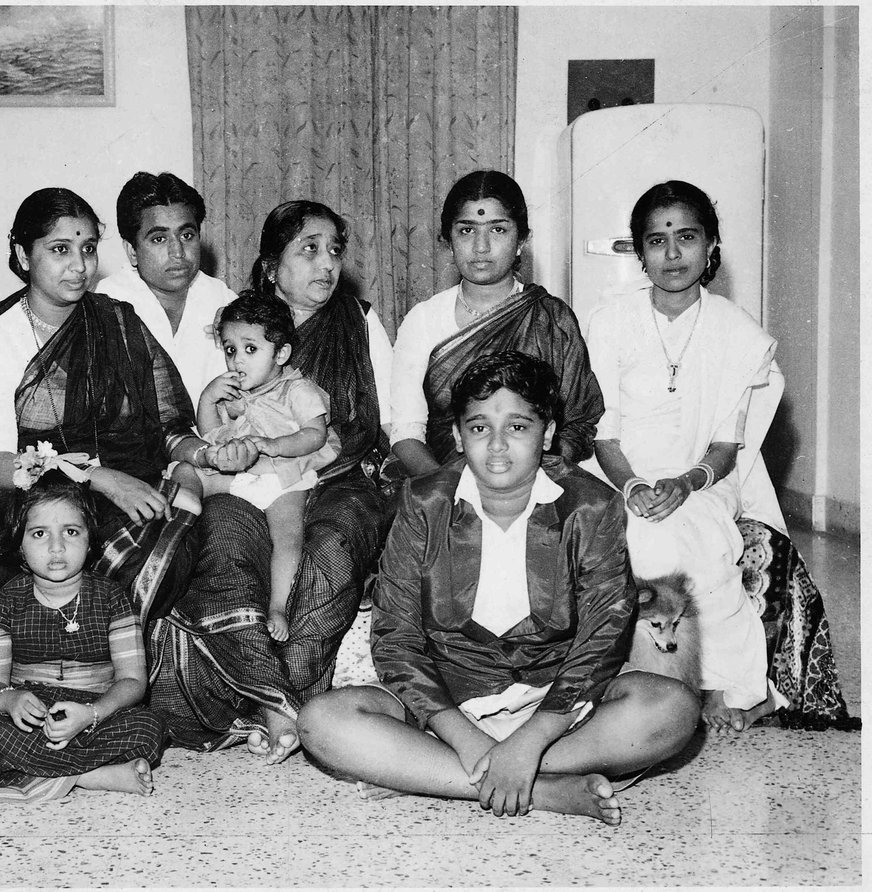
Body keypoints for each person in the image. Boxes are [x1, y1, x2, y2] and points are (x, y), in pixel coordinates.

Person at [298, 352, 699, 826]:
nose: (498, 448)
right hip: (449, 706)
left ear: (547, 432)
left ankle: (460, 776)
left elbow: (604, 637)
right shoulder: (423, 502)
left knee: (673, 709)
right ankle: (547, 792)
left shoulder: (592, 506)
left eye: (518, 427)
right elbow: (396, 639)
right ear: (457, 435)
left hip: (558, 708)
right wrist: (466, 738)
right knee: (322, 722)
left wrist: (528, 743)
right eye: (480, 428)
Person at [584, 180, 857, 734]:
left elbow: (726, 448)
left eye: (687, 237)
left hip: (704, 476)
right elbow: (603, 434)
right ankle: (633, 681)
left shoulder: (737, 332)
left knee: (698, 537)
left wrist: (684, 485)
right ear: (639, 252)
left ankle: (731, 684)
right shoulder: (609, 321)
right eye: (656, 241)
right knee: (630, 533)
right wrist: (635, 486)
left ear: (711, 246)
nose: (673, 253)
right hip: (619, 472)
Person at [147, 200, 394, 764]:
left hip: (340, 474)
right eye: (308, 249)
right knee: (227, 532)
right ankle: (258, 691)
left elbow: (388, 422)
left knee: (331, 543)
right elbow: (195, 421)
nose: (326, 264)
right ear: (270, 266)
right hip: (245, 475)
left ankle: (292, 701)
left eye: (334, 250)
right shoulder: (236, 326)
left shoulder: (361, 321)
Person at [0, 187, 241, 629]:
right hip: (39, 499)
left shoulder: (119, 321)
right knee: (136, 556)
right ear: (22, 253)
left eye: (88, 249)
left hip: (131, 483)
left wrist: (197, 457)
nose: (79, 266)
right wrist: (98, 477)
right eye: (60, 249)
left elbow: (167, 423)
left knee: (178, 537)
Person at [0, 475, 164, 799]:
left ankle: (40, 771)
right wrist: (9, 700)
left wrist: (91, 714)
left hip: (93, 714)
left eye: (71, 532)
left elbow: (133, 681)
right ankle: (87, 776)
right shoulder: (7, 601)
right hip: (23, 714)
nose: (56, 547)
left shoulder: (113, 598)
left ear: (91, 539)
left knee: (148, 729)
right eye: (39, 534)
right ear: (19, 543)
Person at [390, 170, 603, 477]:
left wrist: (529, 483)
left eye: (498, 230)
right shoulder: (423, 320)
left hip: (538, 479)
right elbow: (406, 431)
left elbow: (577, 423)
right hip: (442, 476)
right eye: (466, 231)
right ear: (448, 241)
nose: (481, 246)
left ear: (521, 241)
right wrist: (448, 488)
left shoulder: (551, 319)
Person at [171, 293, 340, 641]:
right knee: (189, 465)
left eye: (250, 349)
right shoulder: (237, 393)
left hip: (283, 478)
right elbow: (211, 435)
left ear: (280, 354)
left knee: (288, 538)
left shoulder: (298, 389)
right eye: (230, 350)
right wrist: (208, 397)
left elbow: (315, 435)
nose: (237, 361)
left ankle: (278, 605)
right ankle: (186, 493)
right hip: (242, 475)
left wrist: (274, 445)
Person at [97, 171, 237, 406]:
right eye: (159, 239)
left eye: (187, 235)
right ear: (132, 251)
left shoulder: (222, 298)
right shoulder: (107, 301)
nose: (178, 252)